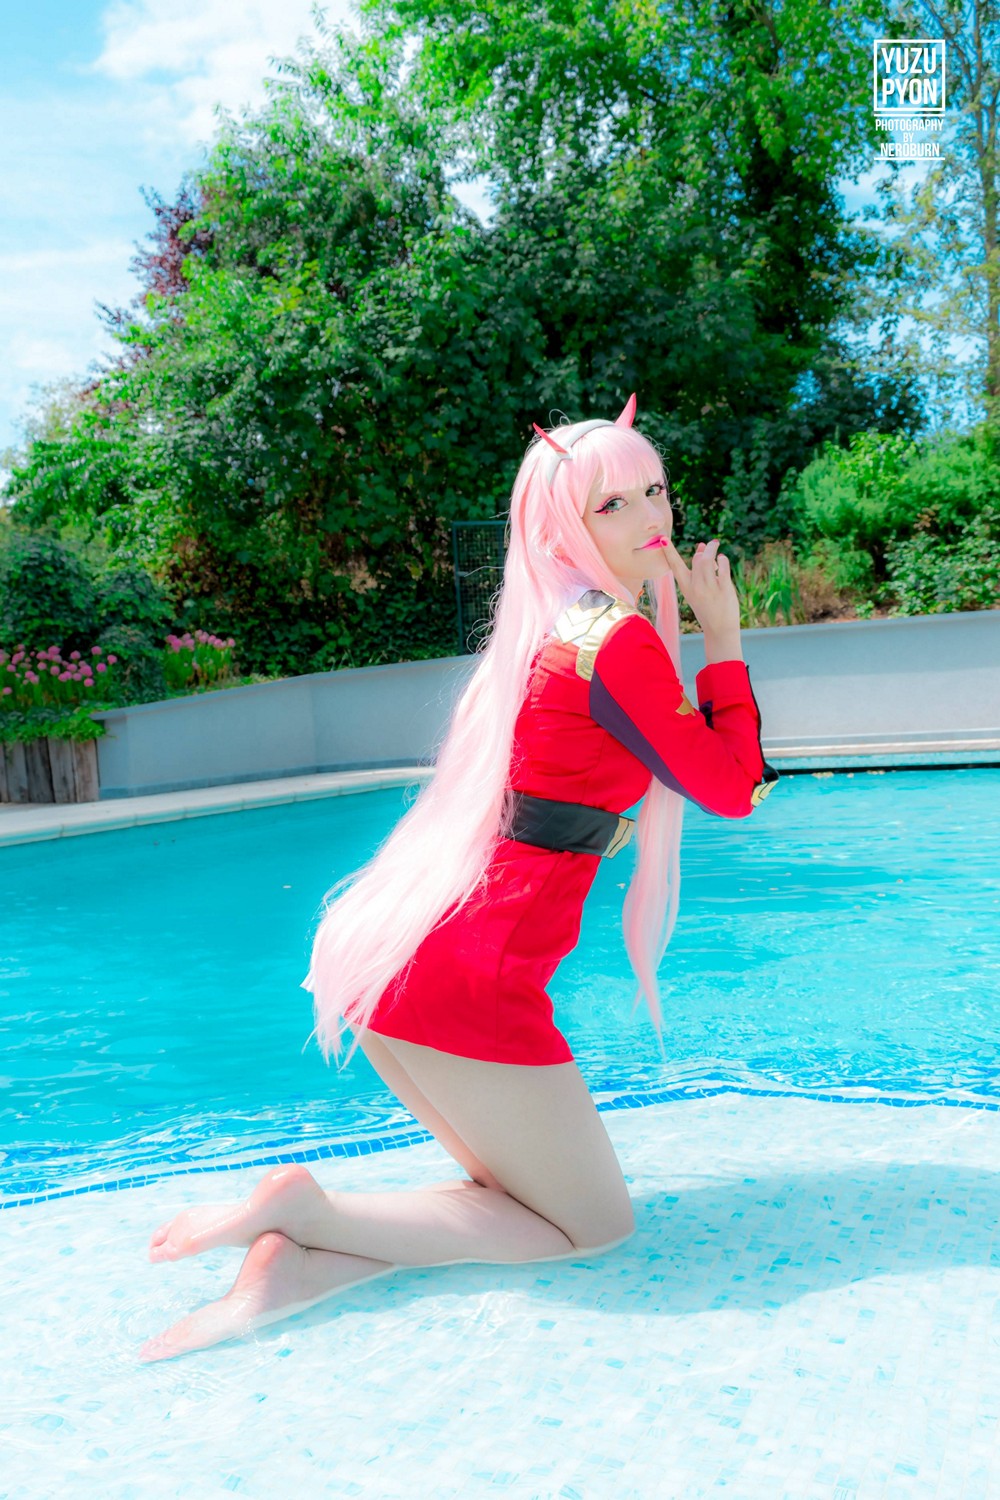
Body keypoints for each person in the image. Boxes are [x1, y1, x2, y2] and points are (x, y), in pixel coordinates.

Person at [139, 395, 778, 1362]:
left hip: (397, 960)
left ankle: (296, 1266)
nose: (652, 518)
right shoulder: (613, 639)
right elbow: (730, 788)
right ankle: (310, 1209)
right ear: (560, 525)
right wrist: (723, 639)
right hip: (471, 983)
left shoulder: (543, 632)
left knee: (510, 1203)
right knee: (593, 1229)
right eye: (613, 505)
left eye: (656, 491)